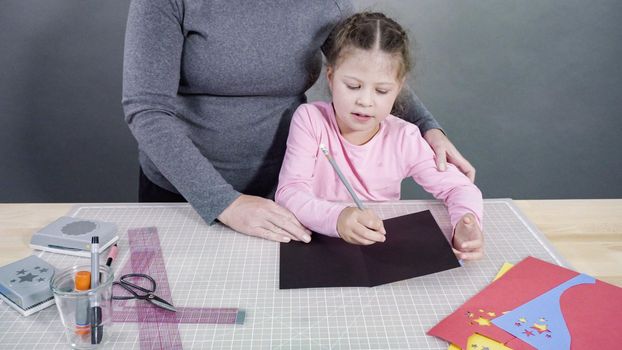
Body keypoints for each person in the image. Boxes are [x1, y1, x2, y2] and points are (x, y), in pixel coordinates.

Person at [122, 1, 476, 245]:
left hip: (285, 196)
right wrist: (224, 203)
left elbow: (369, 61)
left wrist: (427, 125)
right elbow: (147, 110)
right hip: (184, 194)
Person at [275, 12, 484, 260]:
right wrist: (338, 218)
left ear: (398, 88)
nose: (365, 101)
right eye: (353, 86)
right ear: (330, 78)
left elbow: (461, 187)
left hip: (378, 250)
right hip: (316, 246)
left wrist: (466, 222)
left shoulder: (404, 137)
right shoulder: (310, 120)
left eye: (382, 90)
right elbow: (289, 193)